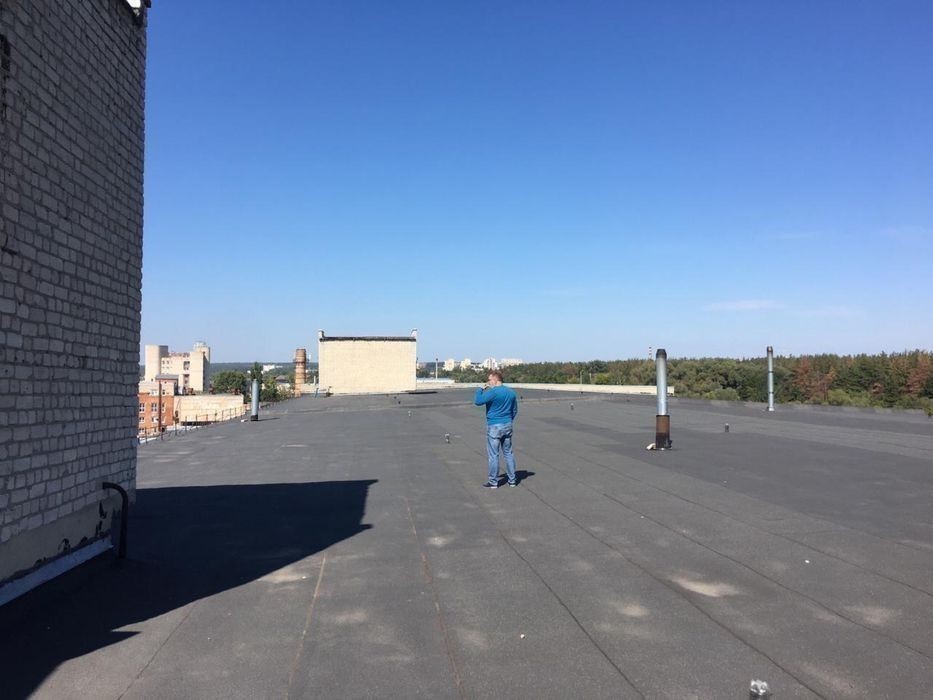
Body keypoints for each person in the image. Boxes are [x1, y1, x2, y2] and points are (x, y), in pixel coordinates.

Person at [474, 370, 519, 488]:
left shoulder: (493, 392)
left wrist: (480, 389)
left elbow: (478, 401)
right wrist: (509, 420)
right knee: (508, 453)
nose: (488, 382)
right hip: (507, 424)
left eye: (489, 380)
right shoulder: (511, 392)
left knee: (493, 455)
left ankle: (493, 482)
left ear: (495, 379)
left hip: (494, 426)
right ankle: (512, 480)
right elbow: (514, 410)